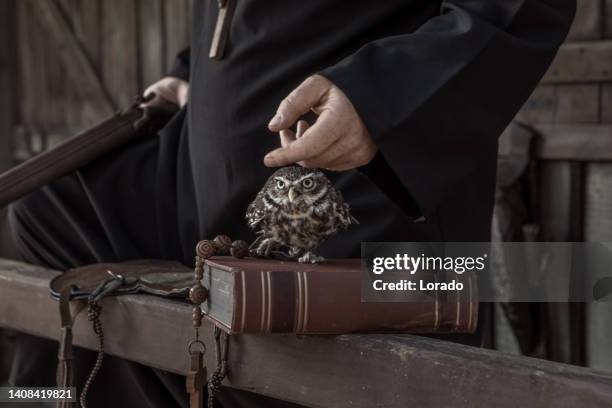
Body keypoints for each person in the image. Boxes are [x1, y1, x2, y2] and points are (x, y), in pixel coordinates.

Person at [7, 0, 575, 406]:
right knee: (51, 218)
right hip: (193, 164)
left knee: (291, 361)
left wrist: (382, 100)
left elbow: (522, 7)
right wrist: (189, 75)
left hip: (345, 175)